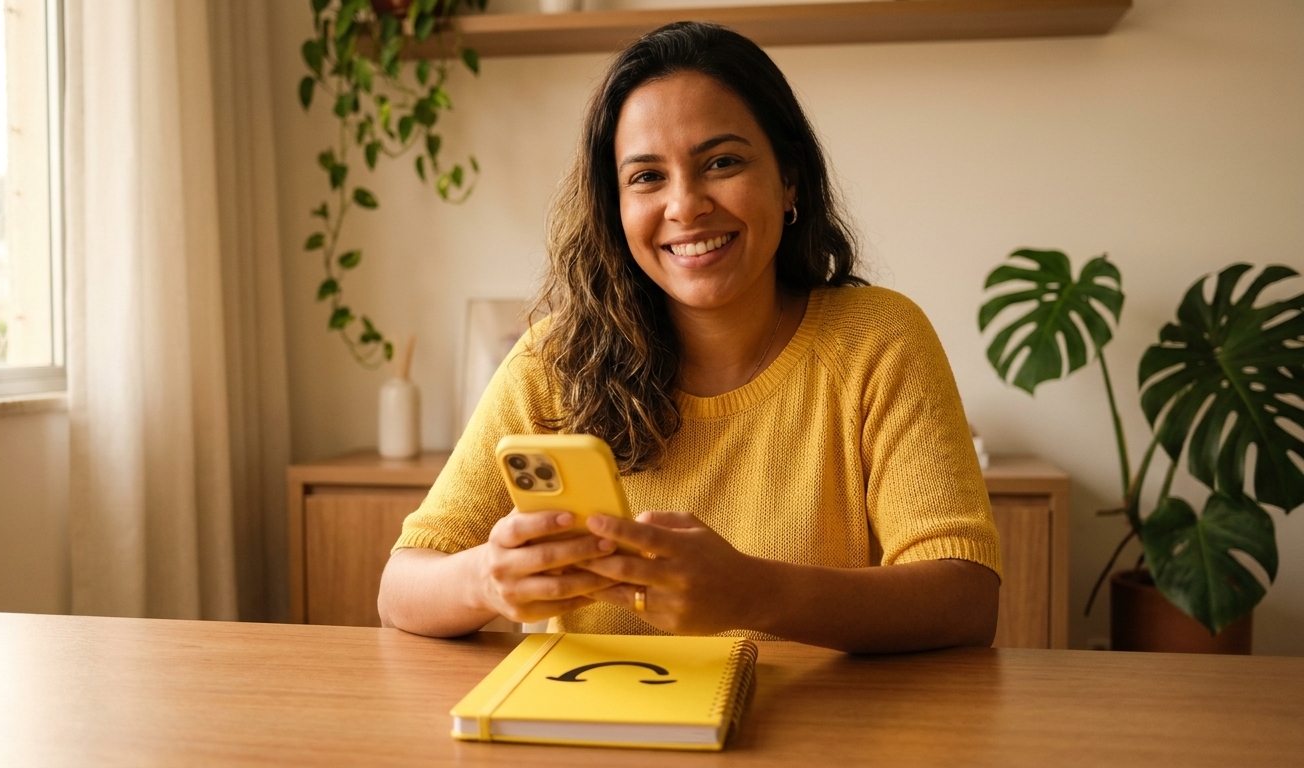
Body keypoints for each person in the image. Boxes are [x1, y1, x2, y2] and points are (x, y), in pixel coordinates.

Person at [379, 21, 1000, 653]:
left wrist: (754, 593)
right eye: (647, 177)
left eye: (722, 162)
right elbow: (401, 588)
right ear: (615, 208)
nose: (685, 205)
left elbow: (966, 599)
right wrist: (485, 580)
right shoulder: (553, 362)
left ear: (789, 180)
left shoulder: (879, 342)